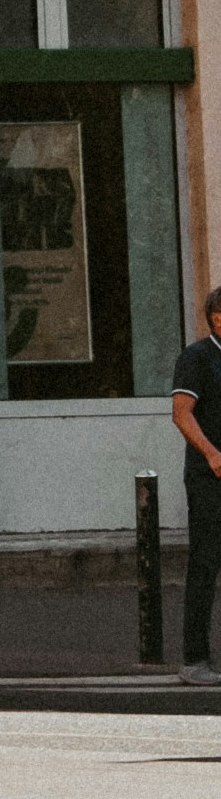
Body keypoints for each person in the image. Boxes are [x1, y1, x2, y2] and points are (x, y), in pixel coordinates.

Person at [173, 280, 221, 685]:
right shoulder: (198, 358)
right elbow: (182, 413)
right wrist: (211, 454)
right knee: (205, 564)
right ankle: (194, 660)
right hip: (210, 479)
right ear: (216, 318)